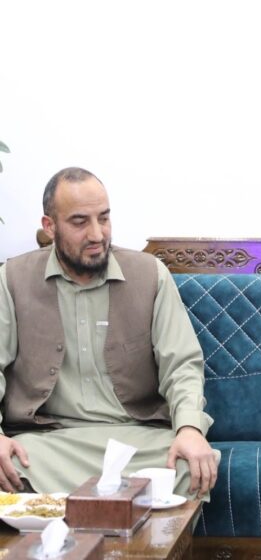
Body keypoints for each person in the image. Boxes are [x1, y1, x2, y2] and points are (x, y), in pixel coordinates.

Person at [0, 167, 219, 499]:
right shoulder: (12, 278)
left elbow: (182, 364)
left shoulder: (149, 275)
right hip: (50, 443)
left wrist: (189, 428)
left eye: (103, 218)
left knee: (190, 466)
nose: (97, 234)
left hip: (136, 439)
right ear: (50, 226)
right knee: (7, 465)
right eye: (79, 222)